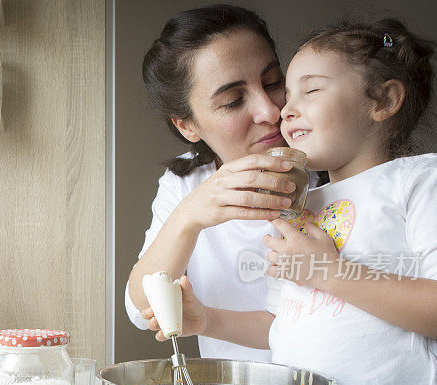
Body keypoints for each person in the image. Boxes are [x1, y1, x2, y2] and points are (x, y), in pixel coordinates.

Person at [143, 17, 437, 385]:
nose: (280, 112)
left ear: (382, 101)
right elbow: (284, 323)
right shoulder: (305, 204)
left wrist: (328, 272)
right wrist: (208, 320)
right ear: (189, 123)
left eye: (303, 90)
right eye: (288, 92)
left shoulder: (422, 181)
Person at [126, 5, 319, 362]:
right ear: (187, 126)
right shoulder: (186, 183)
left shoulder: (333, 160)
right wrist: (190, 215)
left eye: (274, 82)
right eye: (233, 101)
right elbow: (142, 309)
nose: (271, 111)